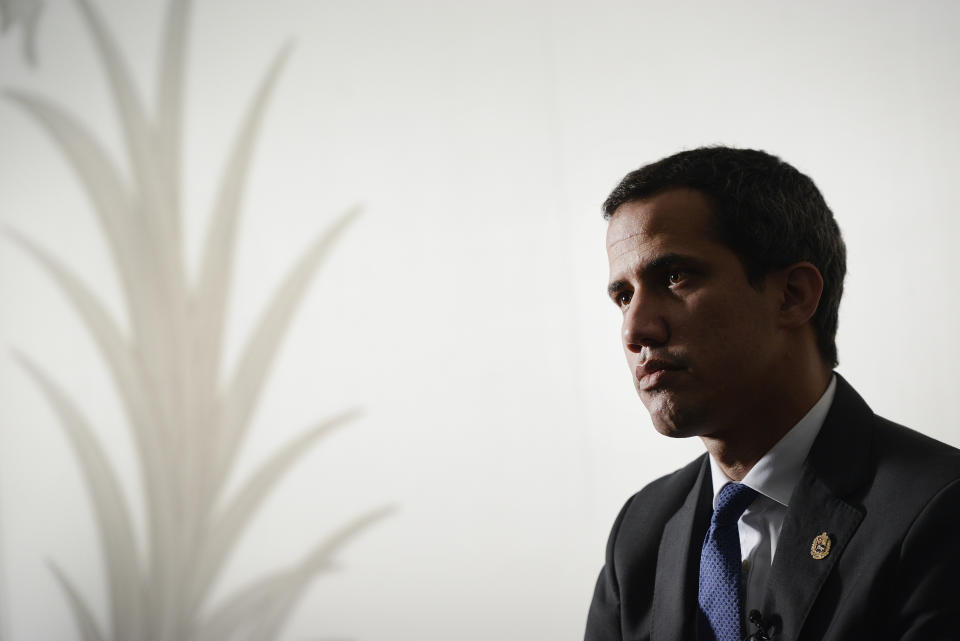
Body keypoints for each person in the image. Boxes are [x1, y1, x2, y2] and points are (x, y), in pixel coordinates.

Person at [584, 147, 960, 641]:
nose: (635, 330)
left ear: (793, 295)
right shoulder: (639, 531)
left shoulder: (941, 512)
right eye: (623, 296)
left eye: (675, 277)